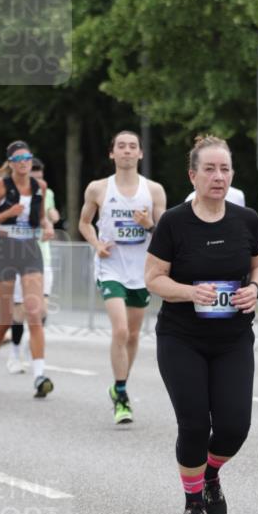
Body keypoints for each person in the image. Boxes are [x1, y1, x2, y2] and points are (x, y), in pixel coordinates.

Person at [145, 135, 258, 514]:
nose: (219, 177)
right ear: (192, 175)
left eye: (225, 169)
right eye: (210, 169)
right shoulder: (174, 222)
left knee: (234, 426)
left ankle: (210, 473)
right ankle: (193, 504)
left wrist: (255, 288)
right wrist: (188, 292)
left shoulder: (246, 219)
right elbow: (153, 280)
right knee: (195, 424)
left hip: (233, 338)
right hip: (182, 337)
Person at [79, 130, 166, 424]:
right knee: (119, 330)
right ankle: (122, 395)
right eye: (121, 146)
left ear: (140, 153)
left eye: (132, 147)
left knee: (132, 334)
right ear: (112, 153)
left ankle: (119, 386)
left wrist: (148, 223)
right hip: (111, 267)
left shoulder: (153, 190)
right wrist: (96, 244)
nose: (127, 151)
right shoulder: (97, 189)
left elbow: (163, 233)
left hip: (141, 271)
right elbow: (84, 223)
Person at [0, 141, 54, 397]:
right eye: (18, 158)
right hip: (3, 251)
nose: (24, 162)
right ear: (10, 162)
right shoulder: (0, 186)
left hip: (30, 250)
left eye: (27, 157)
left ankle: (39, 376)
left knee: (35, 313)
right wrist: (7, 213)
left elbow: (41, 217)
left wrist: (47, 226)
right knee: (6, 318)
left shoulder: (39, 187)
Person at [8, 157, 61, 374]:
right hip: (21, 256)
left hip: (43, 257)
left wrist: (52, 218)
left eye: (41, 176)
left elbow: (51, 214)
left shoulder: (47, 193)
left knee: (41, 309)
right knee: (21, 310)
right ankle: (14, 352)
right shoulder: (17, 194)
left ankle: (34, 345)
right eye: (34, 176)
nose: (38, 180)